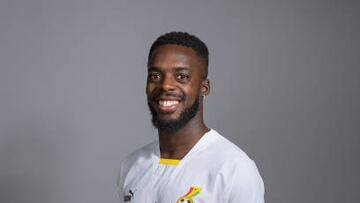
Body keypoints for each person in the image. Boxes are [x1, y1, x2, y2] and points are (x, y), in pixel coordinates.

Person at [117, 32, 264, 203]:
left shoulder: (233, 168)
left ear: (204, 88)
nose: (165, 85)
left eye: (182, 76)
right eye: (155, 76)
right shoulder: (131, 165)